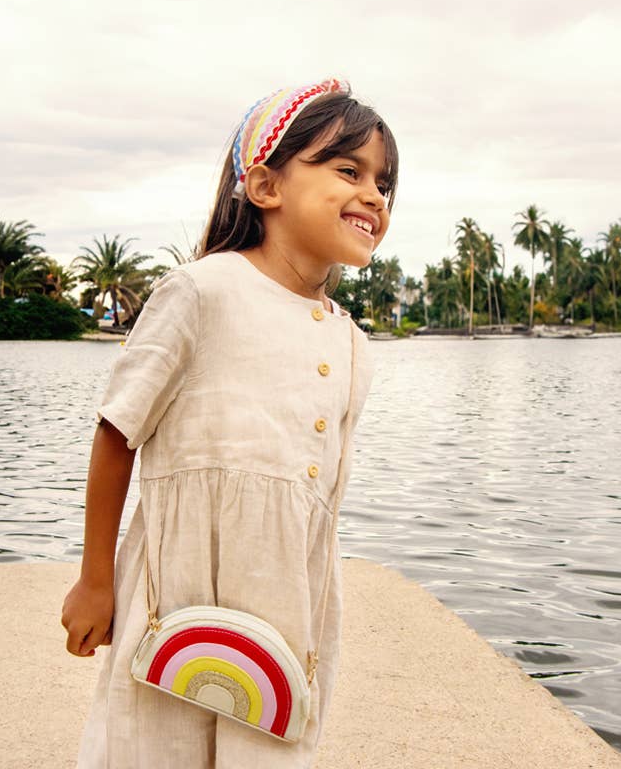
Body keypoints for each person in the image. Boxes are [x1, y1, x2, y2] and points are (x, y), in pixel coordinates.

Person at [61, 77, 399, 768]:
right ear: (266, 186)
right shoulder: (202, 290)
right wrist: (95, 579)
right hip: (182, 586)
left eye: (383, 182)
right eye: (347, 170)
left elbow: (319, 498)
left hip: (287, 597)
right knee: (157, 742)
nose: (373, 195)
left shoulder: (349, 339)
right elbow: (117, 431)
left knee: (267, 741)